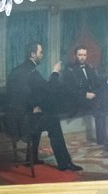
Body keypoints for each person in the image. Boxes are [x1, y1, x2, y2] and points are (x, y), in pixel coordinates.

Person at [5, 41, 82, 172]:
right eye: (40, 52)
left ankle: (32, 158)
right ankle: (65, 163)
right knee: (53, 121)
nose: (42, 55)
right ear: (32, 54)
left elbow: (18, 95)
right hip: (22, 123)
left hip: (12, 120)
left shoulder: (18, 70)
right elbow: (49, 89)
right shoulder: (31, 72)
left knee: (40, 115)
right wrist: (55, 72)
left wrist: (32, 107)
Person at [61, 45, 108, 144]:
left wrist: (107, 80)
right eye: (80, 55)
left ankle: (103, 138)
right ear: (75, 56)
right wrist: (85, 94)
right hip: (77, 100)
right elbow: (69, 90)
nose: (82, 57)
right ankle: (103, 139)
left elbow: (97, 81)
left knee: (102, 101)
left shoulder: (89, 68)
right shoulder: (69, 70)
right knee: (100, 106)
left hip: (91, 97)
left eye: (84, 55)